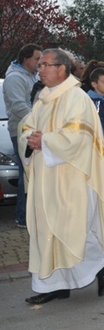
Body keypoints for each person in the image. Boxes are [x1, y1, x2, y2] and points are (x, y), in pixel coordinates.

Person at [19, 48, 104, 304]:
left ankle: (102, 265)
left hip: (71, 177)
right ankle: (56, 285)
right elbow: (26, 128)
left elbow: (81, 138)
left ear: (61, 69)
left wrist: (45, 140)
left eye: (46, 65)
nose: (41, 69)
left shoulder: (76, 98)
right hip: (45, 176)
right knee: (46, 229)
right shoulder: (44, 98)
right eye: (40, 65)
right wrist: (32, 139)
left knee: (71, 230)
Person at [3, 43, 42, 229]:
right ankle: (22, 216)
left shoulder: (31, 76)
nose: (39, 62)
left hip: (30, 129)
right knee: (25, 174)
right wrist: (38, 121)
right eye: (37, 59)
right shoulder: (14, 79)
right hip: (20, 131)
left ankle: (31, 214)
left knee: (32, 174)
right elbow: (19, 106)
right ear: (26, 59)